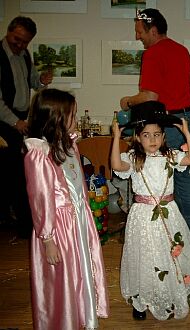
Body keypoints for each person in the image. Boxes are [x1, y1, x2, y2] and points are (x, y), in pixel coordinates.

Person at [23, 88, 109, 329]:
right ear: (57, 119)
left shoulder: (69, 146)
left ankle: (83, 315)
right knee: (65, 277)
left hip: (78, 220)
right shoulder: (39, 156)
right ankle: (65, 320)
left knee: (82, 269)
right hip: (59, 228)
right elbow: (41, 200)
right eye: (72, 115)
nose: (76, 118)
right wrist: (48, 239)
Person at [111, 100, 190, 321]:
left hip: (169, 212)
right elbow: (116, 165)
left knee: (167, 252)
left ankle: (170, 292)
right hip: (142, 216)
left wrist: (186, 132)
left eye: (157, 134)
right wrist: (116, 137)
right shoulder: (134, 159)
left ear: (163, 136)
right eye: (146, 135)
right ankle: (141, 299)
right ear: (137, 137)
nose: (152, 139)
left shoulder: (170, 156)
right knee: (144, 256)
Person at [119, 8, 190, 237]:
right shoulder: (182, 50)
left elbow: (150, 96)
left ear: (153, 30)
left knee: (166, 178)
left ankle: (174, 230)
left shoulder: (153, 53)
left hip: (167, 122)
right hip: (186, 118)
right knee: (183, 177)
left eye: (139, 32)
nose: (137, 37)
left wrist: (127, 102)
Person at [0, 16, 53, 238]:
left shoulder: (24, 55)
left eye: (25, 42)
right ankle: (23, 227)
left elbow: (33, 82)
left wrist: (42, 80)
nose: (20, 45)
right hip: (5, 123)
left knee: (21, 173)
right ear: (9, 32)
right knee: (14, 175)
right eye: (17, 40)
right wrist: (16, 122)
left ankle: (20, 223)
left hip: (21, 121)